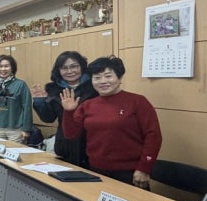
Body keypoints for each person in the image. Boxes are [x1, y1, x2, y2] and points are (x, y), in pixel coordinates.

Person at [60, 56, 162, 189]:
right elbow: (71, 134)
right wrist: (68, 112)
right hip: (95, 170)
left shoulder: (137, 101)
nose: (103, 81)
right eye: (97, 77)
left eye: (108, 76)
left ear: (119, 78)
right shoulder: (88, 105)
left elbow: (153, 136)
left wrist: (144, 168)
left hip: (130, 173)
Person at [31, 51, 97, 167]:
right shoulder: (53, 89)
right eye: (64, 68)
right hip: (65, 143)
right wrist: (40, 101)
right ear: (58, 70)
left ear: (82, 67)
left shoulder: (94, 86)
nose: (70, 71)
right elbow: (48, 118)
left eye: (74, 66)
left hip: (91, 142)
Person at [0, 55, 32, 143]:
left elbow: (27, 107)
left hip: (15, 128)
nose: (3, 69)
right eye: (0, 66)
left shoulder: (21, 84)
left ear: (12, 68)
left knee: (14, 151)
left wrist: (26, 129)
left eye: (6, 66)